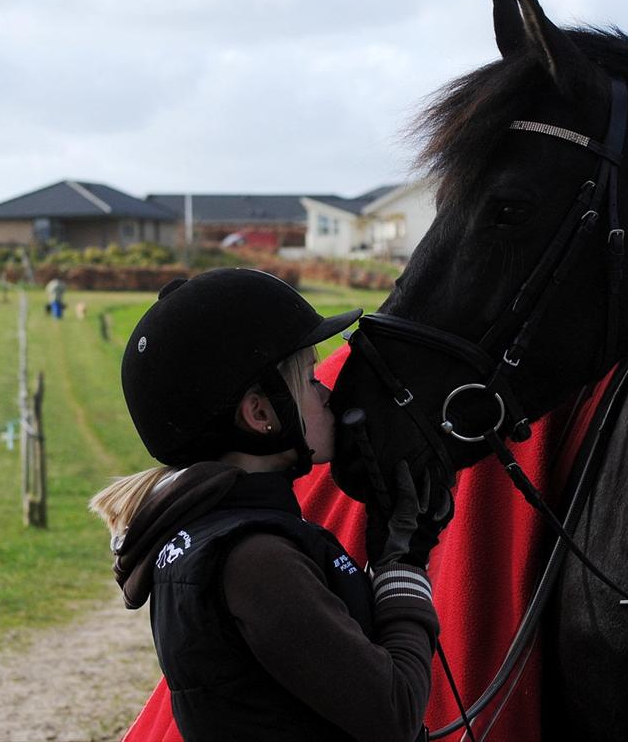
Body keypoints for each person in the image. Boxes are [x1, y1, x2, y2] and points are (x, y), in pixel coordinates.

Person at [89, 267, 449, 742]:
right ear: (260, 414)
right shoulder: (258, 558)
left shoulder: (209, 537)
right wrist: (403, 565)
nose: (326, 394)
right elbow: (394, 714)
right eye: (309, 378)